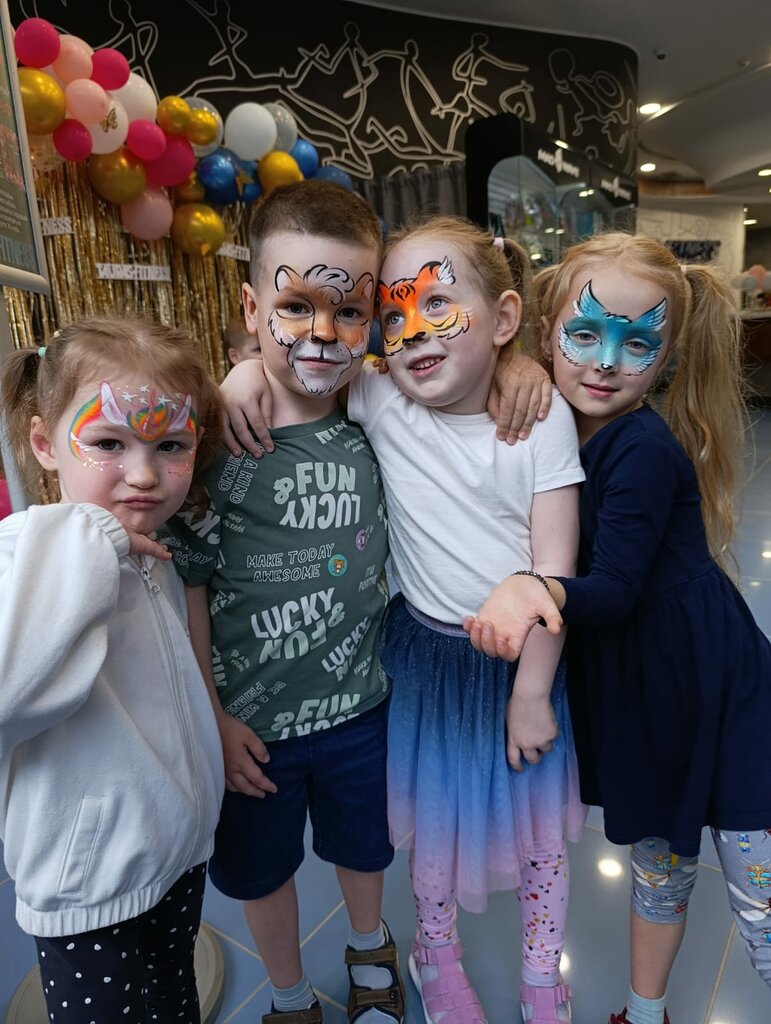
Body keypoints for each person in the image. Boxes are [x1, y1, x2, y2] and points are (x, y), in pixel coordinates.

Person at [219, 213, 586, 1024]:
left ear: (503, 317)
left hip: (524, 664)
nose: (410, 329)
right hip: (422, 663)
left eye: (437, 304)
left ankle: (540, 974)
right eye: (392, 314)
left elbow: (554, 571)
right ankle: (436, 957)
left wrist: (532, 691)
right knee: (430, 833)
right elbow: (299, 364)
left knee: (540, 842)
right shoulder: (381, 397)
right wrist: (242, 372)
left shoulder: (540, 418)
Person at [464, 232, 771, 1024]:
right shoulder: (559, 426)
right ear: (544, 334)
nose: (604, 362)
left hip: (703, 683)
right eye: (584, 334)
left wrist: (529, 589)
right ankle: (642, 1010)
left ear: (665, 357)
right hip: (647, 689)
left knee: (758, 888)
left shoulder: (639, 449)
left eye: (636, 344)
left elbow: (613, 592)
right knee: (660, 866)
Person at [161, 179, 405, 1024]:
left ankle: (371, 957)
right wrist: (213, 716)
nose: (322, 332)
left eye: (349, 311)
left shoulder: (380, 416)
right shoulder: (214, 444)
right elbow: (189, 586)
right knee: (260, 873)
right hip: (251, 729)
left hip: (360, 709)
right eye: (295, 305)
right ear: (250, 305)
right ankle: (291, 996)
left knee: (363, 851)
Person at [0, 316, 226, 1024]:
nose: (144, 475)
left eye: (171, 445)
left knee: (175, 1000)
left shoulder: (153, 552)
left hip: (173, 857)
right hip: (89, 894)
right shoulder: (26, 553)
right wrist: (93, 536)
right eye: (107, 444)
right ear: (45, 444)